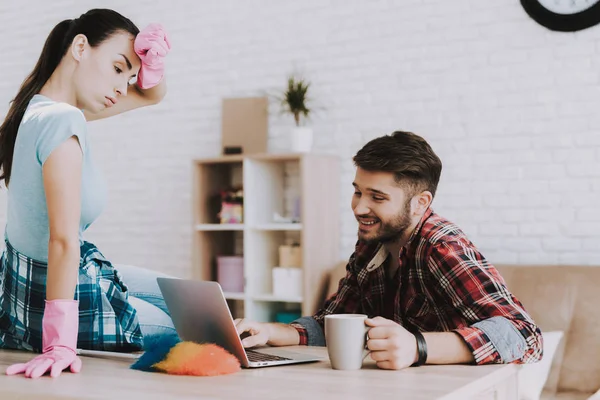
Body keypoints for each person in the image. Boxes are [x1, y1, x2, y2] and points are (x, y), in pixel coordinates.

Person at [236, 130, 543, 370]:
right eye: (357, 192)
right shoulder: (372, 243)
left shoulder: (441, 247)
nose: (359, 207)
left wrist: (417, 347)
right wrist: (268, 332)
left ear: (420, 203)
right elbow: (333, 323)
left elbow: (526, 336)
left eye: (377, 197)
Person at [0, 9, 175, 379]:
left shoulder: (37, 110)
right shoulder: (64, 121)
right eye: (117, 68)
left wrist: (151, 65)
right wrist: (59, 344)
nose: (122, 88)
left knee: (185, 297)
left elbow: (150, 95)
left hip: (30, 292)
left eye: (129, 77)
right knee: (194, 328)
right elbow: (62, 240)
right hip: (50, 299)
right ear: (80, 47)